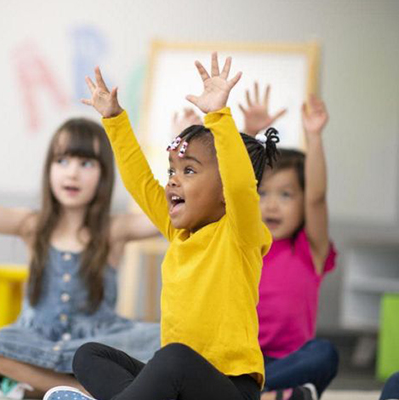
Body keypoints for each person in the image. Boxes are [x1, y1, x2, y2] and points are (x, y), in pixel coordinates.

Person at [45, 52, 278, 400]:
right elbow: (140, 183)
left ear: (224, 191)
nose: (172, 182)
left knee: (174, 359)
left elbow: (242, 186)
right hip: (179, 384)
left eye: (188, 171)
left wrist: (217, 115)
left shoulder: (240, 234)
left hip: (231, 389)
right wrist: (115, 119)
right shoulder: (177, 232)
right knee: (88, 356)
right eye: (172, 170)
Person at [0, 106, 161, 398]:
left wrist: (180, 158)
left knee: (168, 340)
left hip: (98, 342)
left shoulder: (114, 229)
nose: (72, 173)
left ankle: (41, 386)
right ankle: (80, 390)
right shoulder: (33, 225)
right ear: (49, 169)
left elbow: (167, 216)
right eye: (62, 161)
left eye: (86, 163)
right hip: (38, 339)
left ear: (104, 174)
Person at [240, 84, 338, 400]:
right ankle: (271, 395)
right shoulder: (246, 243)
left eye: (285, 195)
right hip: (244, 361)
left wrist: (314, 137)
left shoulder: (311, 249)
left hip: (292, 364)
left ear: (303, 200)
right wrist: (249, 135)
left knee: (324, 353)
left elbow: (318, 197)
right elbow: (233, 186)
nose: (270, 205)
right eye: (263, 193)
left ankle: (254, 394)